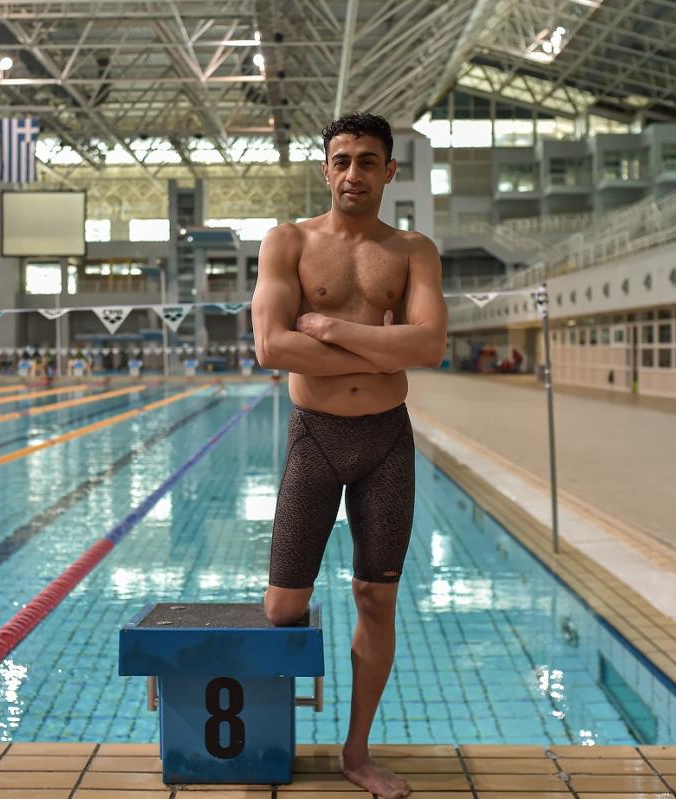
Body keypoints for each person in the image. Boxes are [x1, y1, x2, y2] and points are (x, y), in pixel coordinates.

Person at [251, 112, 447, 799]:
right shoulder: (289, 242)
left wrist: (330, 327)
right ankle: (271, 736)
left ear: (390, 171)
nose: (353, 173)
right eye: (341, 160)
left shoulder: (413, 251)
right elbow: (272, 347)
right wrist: (381, 341)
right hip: (318, 438)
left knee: (376, 597)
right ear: (325, 169)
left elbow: (430, 347)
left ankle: (355, 751)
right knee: (282, 608)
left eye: (368, 160)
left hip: (386, 440)